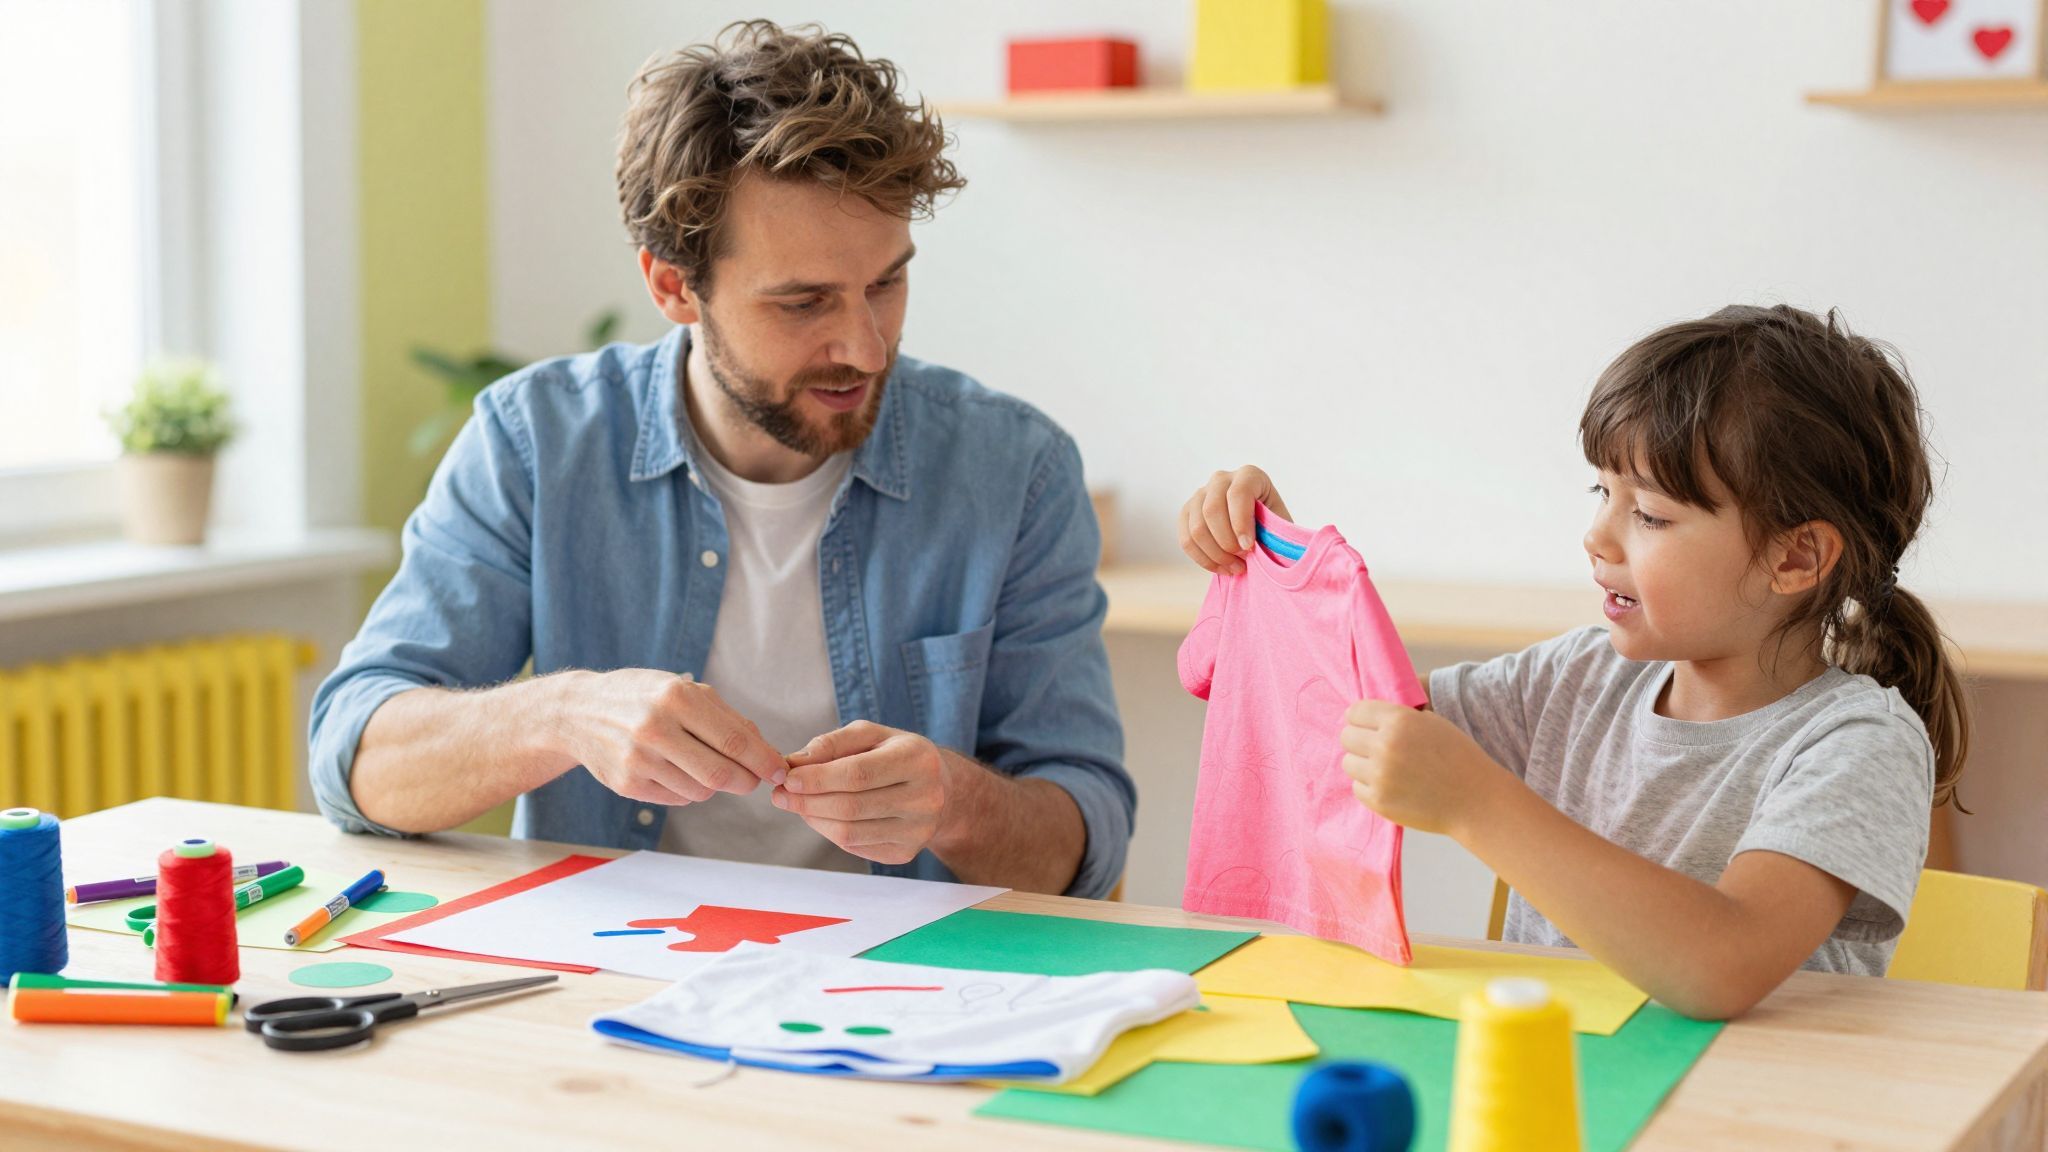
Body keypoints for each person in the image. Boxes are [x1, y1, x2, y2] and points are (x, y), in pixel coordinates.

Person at [309, 21, 1131, 899]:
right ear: (672, 285)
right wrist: (562, 714)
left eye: (885, 283)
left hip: (907, 989)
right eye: (803, 302)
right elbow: (356, 759)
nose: (864, 346)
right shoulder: (536, 442)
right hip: (613, 975)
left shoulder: (1014, 469)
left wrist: (956, 804)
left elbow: (1085, 849)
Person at [1180, 304, 1964, 1017]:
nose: (1598, 536)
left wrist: (1475, 804)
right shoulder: (1578, 678)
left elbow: (1723, 966)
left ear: (1797, 558)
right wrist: (1280, 565)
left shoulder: (1858, 744)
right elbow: (1344, 729)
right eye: (1603, 493)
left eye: (1650, 514)